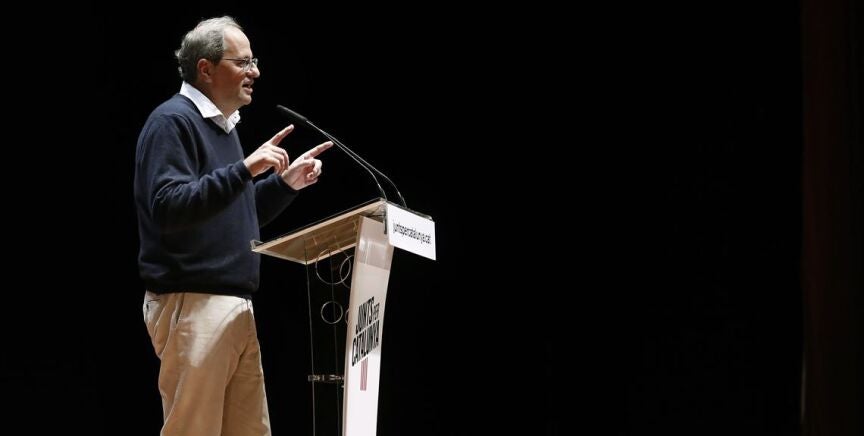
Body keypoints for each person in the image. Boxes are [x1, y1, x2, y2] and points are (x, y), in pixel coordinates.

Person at [134, 16, 331, 436]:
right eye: (243, 62)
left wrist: (283, 184)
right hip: (193, 304)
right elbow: (168, 207)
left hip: (235, 304)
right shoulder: (171, 122)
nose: (254, 71)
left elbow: (232, 214)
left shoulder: (223, 128)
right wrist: (244, 169)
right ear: (205, 69)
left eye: (253, 61)